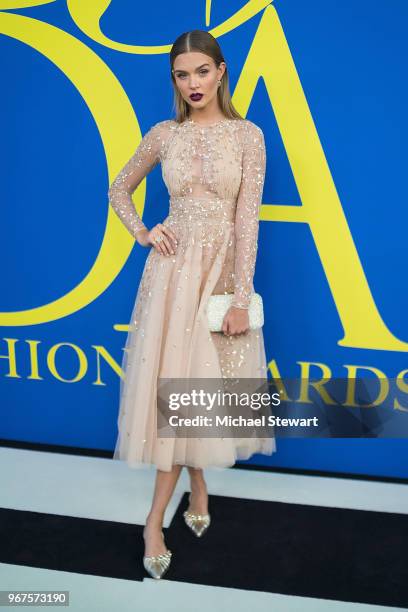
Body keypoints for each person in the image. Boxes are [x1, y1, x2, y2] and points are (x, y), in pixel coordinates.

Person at [108, 29, 276, 579]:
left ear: (220, 72)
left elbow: (246, 221)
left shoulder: (248, 136)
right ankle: (154, 520)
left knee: (207, 391)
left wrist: (241, 298)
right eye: (182, 74)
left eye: (201, 71)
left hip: (222, 276)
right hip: (172, 276)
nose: (192, 83)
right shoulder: (164, 134)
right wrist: (143, 232)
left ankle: (196, 482)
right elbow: (119, 187)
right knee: (173, 395)